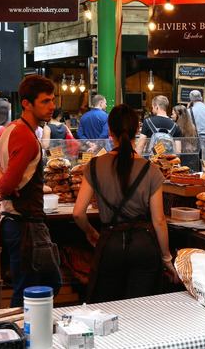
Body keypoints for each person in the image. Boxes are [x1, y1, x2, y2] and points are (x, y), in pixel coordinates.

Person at [72, 104, 179, 302]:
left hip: (109, 244)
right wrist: (166, 258)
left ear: (110, 130)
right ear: (137, 130)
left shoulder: (94, 165)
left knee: (106, 311)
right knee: (142, 312)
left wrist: (91, 233)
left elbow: (78, 213)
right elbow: (159, 220)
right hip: (143, 245)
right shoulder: (151, 169)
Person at [0, 75, 62, 307]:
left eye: (52, 100)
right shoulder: (27, 138)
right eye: (45, 101)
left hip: (13, 222)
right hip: (27, 225)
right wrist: (1, 180)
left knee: (29, 286)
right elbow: (6, 187)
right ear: (27, 103)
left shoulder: (10, 128)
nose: (52, 106)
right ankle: (20, 335)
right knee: (39, 287)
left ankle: (23, 332)